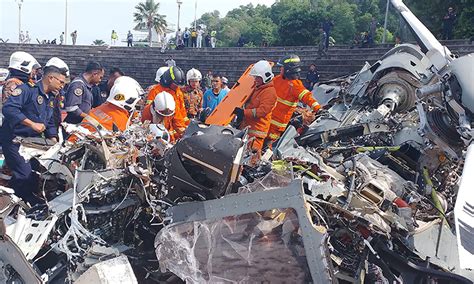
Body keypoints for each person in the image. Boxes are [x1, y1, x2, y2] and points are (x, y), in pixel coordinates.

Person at [0, 65, 67, 205]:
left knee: (37, 172)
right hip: (14, 139)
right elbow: (9, 109)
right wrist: (31, 124)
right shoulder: (27, 90)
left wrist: (53, 139)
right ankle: (21, 202)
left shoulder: (50, 97)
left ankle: (20, 196)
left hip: (32, 143)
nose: (62, 85)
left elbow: (48, 122)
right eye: (61, 82)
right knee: (24, 174)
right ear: (50, 78)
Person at [266, 54, 321, 144]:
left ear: (288, 69)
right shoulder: (277, 79)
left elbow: (307, 97)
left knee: (269, 147)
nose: (281, 69)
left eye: (282, 67)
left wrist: (318, 108)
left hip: (277, 125)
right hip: (267, 119)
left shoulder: (296, 85)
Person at [232, 60, 277, 152]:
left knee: (250, 161)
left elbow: (262, 111)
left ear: (265, 77)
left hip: (256, 135)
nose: (255, 80)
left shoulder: (270, 92)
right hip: (248, 131)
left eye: (257, 78)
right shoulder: (258, 89)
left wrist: (243, 113)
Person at [145, 66, 188, 139]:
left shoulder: (178, 91)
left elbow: (181, 113)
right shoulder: (155, 91)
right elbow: (151, 114)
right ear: (168, 81)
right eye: (175, 84)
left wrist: (186, 129)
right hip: (161, 133)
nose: (177, 87)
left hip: (176, 132)